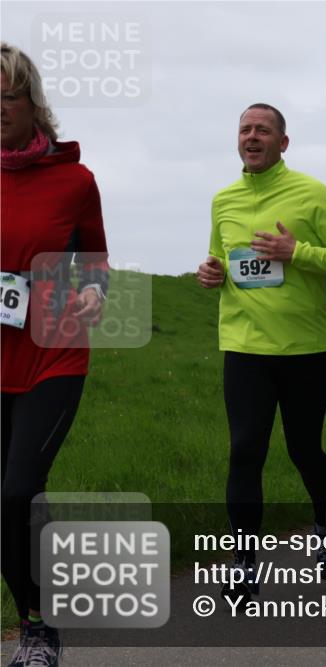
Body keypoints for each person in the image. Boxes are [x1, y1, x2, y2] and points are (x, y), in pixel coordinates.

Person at [196, 103, 326, 606]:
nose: (252, 137)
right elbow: (220, 259)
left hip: (305, 347)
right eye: (245, 130)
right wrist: (212, 273)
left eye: (263, 130)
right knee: (245, 449)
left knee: (303, 450)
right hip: (244, 346)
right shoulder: (223, 200)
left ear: (282, 143)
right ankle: (245, 564)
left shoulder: (312, 194)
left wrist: (299, 254)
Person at [1, 43, 109, 667]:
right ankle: (31, 615)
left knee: (18, 493)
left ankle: (39, 633)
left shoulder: (75, 180)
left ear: (32, 102)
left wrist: (93, 292)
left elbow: (94, 262)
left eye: (7, 96)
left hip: (52, 355)